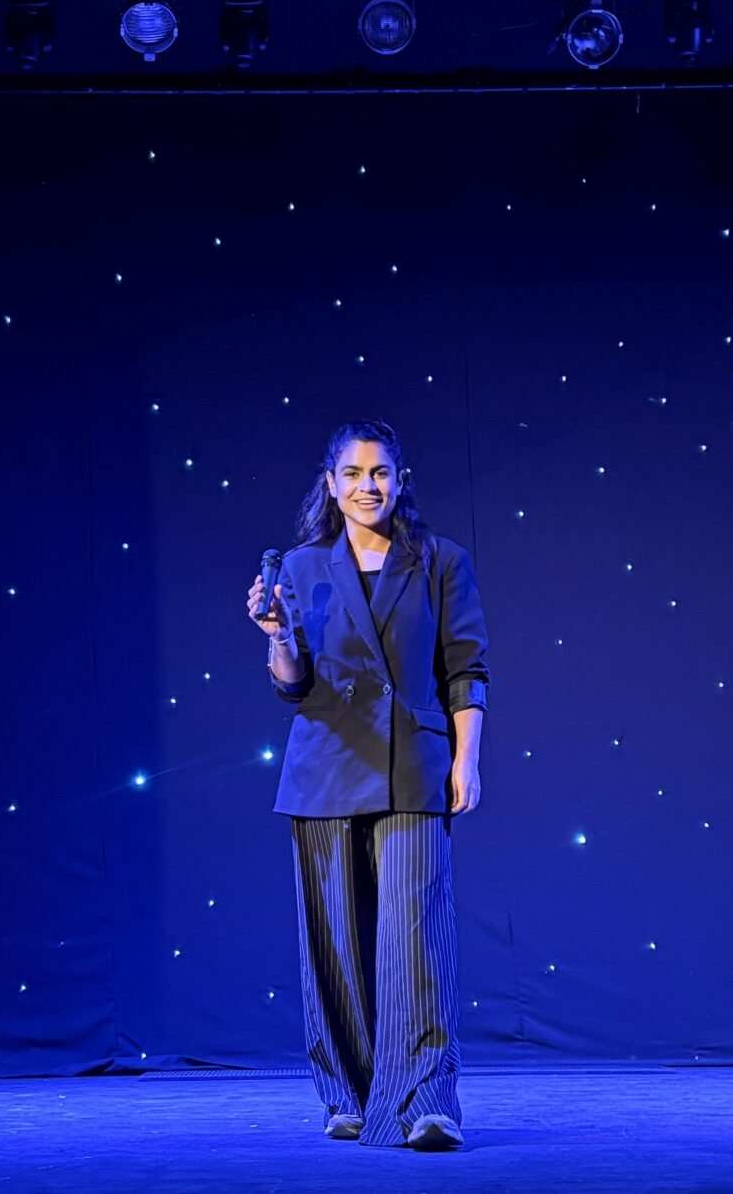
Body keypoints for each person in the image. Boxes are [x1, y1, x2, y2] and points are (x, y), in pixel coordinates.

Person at [245, 418, 490, 1151]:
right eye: (352, 473)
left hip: (413, 764)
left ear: (401, 479)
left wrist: (466, 757)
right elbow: (292, 687)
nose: (367, 486)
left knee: (418, 939)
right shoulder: (300, 566)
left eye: (380, 472)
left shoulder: (440, 560)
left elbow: (466, 667)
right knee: (336, 945)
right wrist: (278, 635)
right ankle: (345, 1094)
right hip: (323, 768)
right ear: (330, 483)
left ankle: (426, 1101)